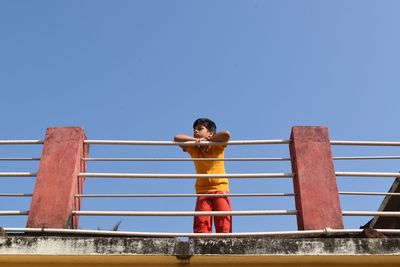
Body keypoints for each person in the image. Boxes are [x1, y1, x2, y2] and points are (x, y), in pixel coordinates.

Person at [174, 118, 232, 233]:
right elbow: (177, 138)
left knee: (224, 224)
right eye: (194, 130)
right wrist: (197, 140)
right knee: (201, 225)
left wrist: (208, 140)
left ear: (210, 133)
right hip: (202, 191)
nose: (195, 131)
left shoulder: (217, 145)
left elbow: (226, 134)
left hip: (221, 189)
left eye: (200, 129)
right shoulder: (194, 148)